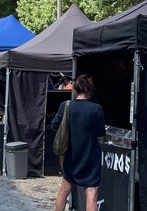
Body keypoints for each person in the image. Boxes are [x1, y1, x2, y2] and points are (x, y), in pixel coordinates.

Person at [51, 75, 105, 211]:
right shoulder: (96, 109)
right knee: (91, 194)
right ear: (90, 90)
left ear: (75, 89)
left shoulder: (66, 106)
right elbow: (100, 133)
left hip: (71, 155)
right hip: (90, 156)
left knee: (64, 190)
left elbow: (54, 125)